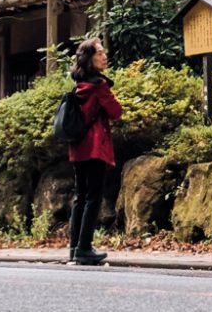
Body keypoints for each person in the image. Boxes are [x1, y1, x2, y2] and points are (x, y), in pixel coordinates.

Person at [65, 37, 123, 266]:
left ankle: (74, 248)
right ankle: (85, 247)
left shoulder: (79, 85)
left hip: (78, 146)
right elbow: (115, 111)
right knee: (93, 197)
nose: (104, 56)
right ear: (90, 59)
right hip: (95, 146)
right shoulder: (99, 85)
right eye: (99, 53)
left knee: (80, 196)